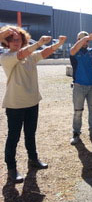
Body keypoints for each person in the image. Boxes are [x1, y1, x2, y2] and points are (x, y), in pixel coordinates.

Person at [0, 25, 67, 183]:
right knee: (13, 137)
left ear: (24, 40)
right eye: (13, 40)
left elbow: (45, 52)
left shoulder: (30, 56)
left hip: (32, 102)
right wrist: (38, 43)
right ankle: (11, 168)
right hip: (15, 105)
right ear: (6, 43)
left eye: (19, 40)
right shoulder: (6, 57)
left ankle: (33, 160)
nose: (16, 42)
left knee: (30, 134)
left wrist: (59, 43)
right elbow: (23, 53)